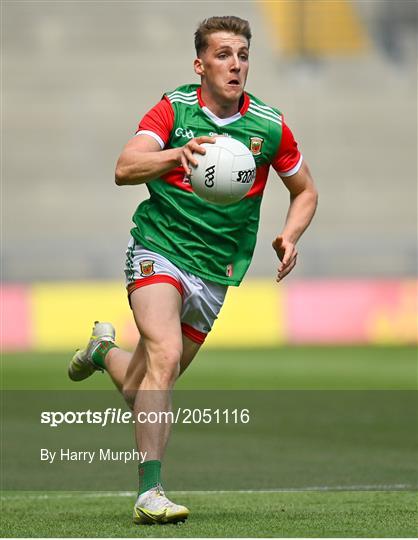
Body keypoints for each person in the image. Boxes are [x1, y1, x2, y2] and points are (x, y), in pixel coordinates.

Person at [68, 15, 318, 525]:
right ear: (199, 64)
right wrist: (174, 155)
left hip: (214, 269)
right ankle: (150, 491)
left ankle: (102, 350)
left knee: (145, 386)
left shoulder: (268, 126)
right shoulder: (173, 111)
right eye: (224, 55)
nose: (236, 65)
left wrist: (291, 234)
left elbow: (306, 190)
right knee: (163, 356)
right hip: (158, 248)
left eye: (243, 55)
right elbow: (124, 167)